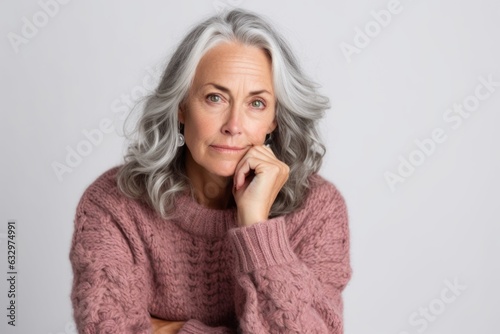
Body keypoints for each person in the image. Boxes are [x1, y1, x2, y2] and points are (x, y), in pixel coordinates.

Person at [69, 8, 352, 334]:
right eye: (215, 97)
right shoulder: (114, 204)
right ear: (181, 107)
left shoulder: (317, 209)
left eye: (256, 103)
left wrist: (257, 228)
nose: (234, 125)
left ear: (275, 118)